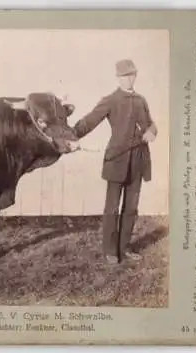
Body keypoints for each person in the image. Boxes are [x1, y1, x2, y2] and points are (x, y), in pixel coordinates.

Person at [73, 59, 158, 264]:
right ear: (118, 78)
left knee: (131, 207)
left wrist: (152, 131)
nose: (129, 79)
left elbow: (150, 124)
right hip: (116, 161)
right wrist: (71, 135)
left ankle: (125, 247)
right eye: (125, 76)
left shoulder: (141, 100)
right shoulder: (110, 100)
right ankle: (110, 250)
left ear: (135, 76)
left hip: (138, 161)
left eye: (132, 75)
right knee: (112, 208)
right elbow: (89, 121)